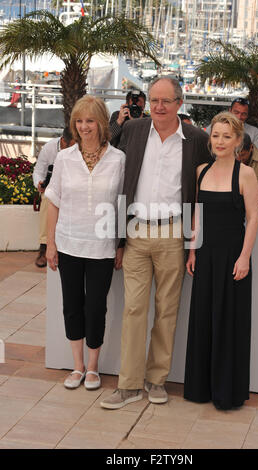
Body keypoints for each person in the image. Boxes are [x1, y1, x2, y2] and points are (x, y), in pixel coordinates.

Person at [100, 77, 212, 410]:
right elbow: (118, 179)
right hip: (135, 231)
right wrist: (118, 239)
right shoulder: (133, 131)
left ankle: (156, 380)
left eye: (166, 100)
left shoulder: (197, 139)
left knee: (167, 310)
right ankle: (129, 385)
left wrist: (253, 202)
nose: (159, 107)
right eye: (154, 100)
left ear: (180, 102)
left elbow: (214, 179)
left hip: (173, 233)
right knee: (134, 309)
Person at [45, 95, 125, 390]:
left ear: (102, 123)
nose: (84, 126)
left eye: (90, 120)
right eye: (79, 121)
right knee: (72, 305)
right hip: (68, 243)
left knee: (96, 307)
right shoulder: (64, 158)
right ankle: (77, 366)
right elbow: (53, 200)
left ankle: (93, 368)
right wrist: (50, 244)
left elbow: (122, 205)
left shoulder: (118, 159)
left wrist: (120, 244)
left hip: (102, 247)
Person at [184, 112, 258, 410]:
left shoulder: (246, 174)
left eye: (227, 136)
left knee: (228, 323)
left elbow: (252, 218)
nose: (220, 141)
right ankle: (200, 389)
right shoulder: (201, 170)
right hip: (204, 257)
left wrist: (244, 257)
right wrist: (192, 251)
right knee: (202, 320)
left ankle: (227, 393)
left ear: (238, 140)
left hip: (232, 258)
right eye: (216, 135)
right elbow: (197, 215)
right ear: (209, 137)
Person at [33, 128, 75, 267]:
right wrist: (39, 183)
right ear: (63, 141)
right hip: (52, 188)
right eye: (72, 145)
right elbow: (39, 171)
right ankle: (44, 246)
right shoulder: (49, 148)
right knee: (47, 197)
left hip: (72, 189)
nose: (75, 148)